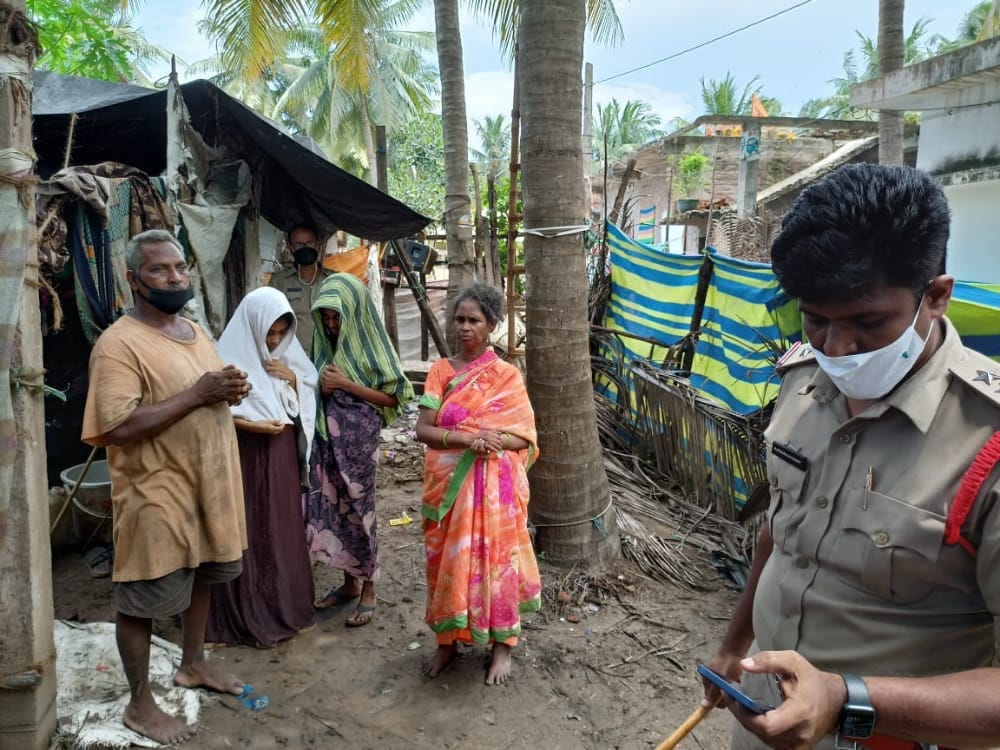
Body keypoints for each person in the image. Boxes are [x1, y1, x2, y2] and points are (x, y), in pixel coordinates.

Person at [704, 164, 1000, 750]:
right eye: (816, 320)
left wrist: (845, 698)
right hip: (764, 713)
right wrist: (736, 644)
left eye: (868, 323)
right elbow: (783, 533)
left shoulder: (987, 445)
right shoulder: (802, 381)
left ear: (936, 296)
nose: (837, 349)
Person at [81, 229, 250, 745]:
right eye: (160, 270)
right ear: (135, 280)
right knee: (141, 598)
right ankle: (139, 704)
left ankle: (192, 664)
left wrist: (228, 389)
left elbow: (202, 391)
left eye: (179, 267)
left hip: (210, 484)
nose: (176, 277)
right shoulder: (119, 344)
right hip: (157, 491)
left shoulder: (195, 331)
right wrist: (200, 394)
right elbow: (116, 426)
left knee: (203, 574)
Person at [414, 283, 541, 686]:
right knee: (447, 565)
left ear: (491, 326)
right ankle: (448, 641)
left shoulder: (506, 376)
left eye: (474, 320)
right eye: (460, 319)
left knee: (499, 565)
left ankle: (502, 645)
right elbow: (423, 429)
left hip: (494, 495)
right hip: (450, 489)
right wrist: (471, 438)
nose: (464, 327)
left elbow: (525, 437)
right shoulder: (440, 371)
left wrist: (493, 440)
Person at [205, 287, 319, 648]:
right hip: (244, 452)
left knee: (280, 524)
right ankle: (241, 612)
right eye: (268, 332)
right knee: (246, 525)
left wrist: (293, 379)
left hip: (280, 452)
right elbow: (211, 411)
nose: (273, 341)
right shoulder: (227, 358)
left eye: (280, 333)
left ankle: (282, 606)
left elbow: (307, 392)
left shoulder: (287, 356)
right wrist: (252, 425)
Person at [305, 273, 414, 627]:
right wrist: (320, 391)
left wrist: (345, 384)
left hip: (358, 442)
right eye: (327, 317)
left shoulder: (370, 345)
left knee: (360, 510)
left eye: (338, 317)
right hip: (326, 441)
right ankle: (349, 583)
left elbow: (395, 396)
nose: (332, 324)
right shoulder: (323, 346)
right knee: (333, 509)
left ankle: (369, 586)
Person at [269, 224, 330, 348]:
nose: (305, 248)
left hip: (328, 357)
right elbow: (271, 320)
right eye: (299, 244)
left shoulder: (334, 280)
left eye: (309, 243)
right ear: (291, 248)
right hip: (293, 357)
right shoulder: (279, 282)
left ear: (317, 245)